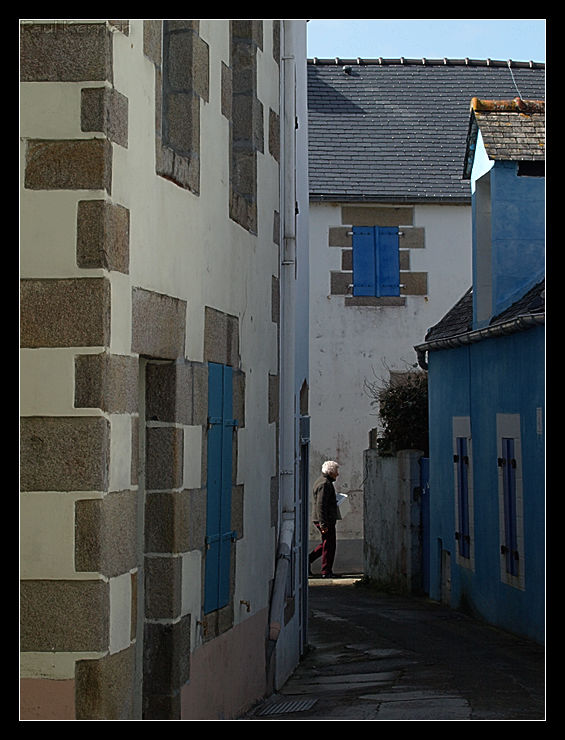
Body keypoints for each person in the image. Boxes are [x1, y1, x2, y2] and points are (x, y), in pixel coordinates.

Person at [309, 460, 340, 578]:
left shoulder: (323, 482)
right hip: (324, 520)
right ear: (331, 472)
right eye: (336, 471)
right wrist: (323, 524)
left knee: (327, 543)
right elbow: (320, 505)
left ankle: (309, 561)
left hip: (324, 519)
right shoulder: (324, 484)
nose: (337, 474)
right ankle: (326, 571)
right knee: (329, 545)